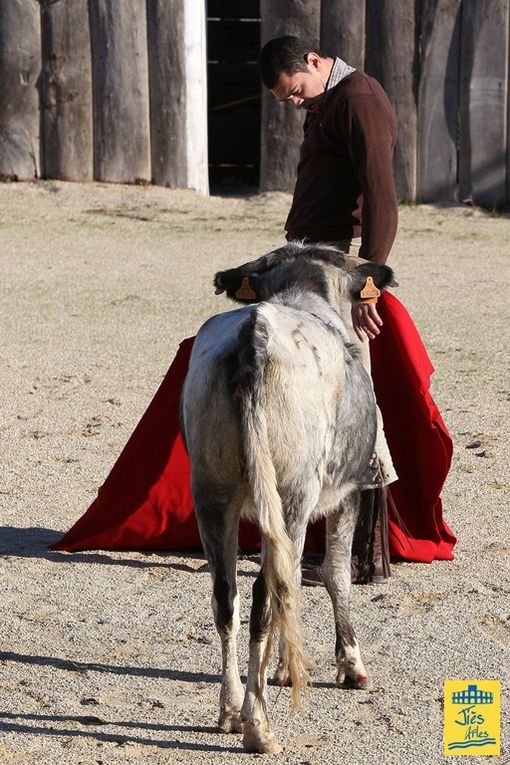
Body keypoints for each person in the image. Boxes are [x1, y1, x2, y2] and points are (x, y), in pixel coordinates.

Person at [259, 36, 399, 583]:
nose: (294, 102)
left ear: (315, 63)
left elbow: (382, 195)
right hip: (311, 262)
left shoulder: (358, 97)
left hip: (338, 270)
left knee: (352, 399)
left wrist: (366, 285)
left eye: (295, 91)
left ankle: (365, 553)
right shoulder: (327, 103)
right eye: (285, 100)